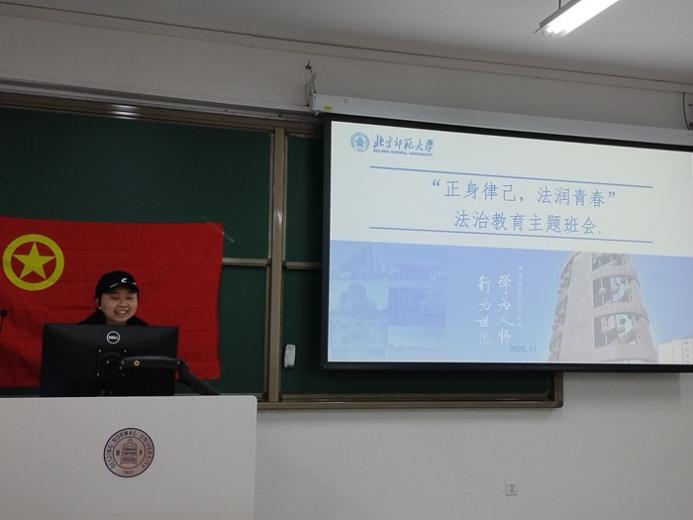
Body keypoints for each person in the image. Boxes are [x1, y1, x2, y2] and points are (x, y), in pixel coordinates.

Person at [80, 270, 148, 326]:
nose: (123, 304)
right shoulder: (82, 331)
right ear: (98, 303)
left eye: (129, 298)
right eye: (115, 298)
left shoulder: (143, 330)